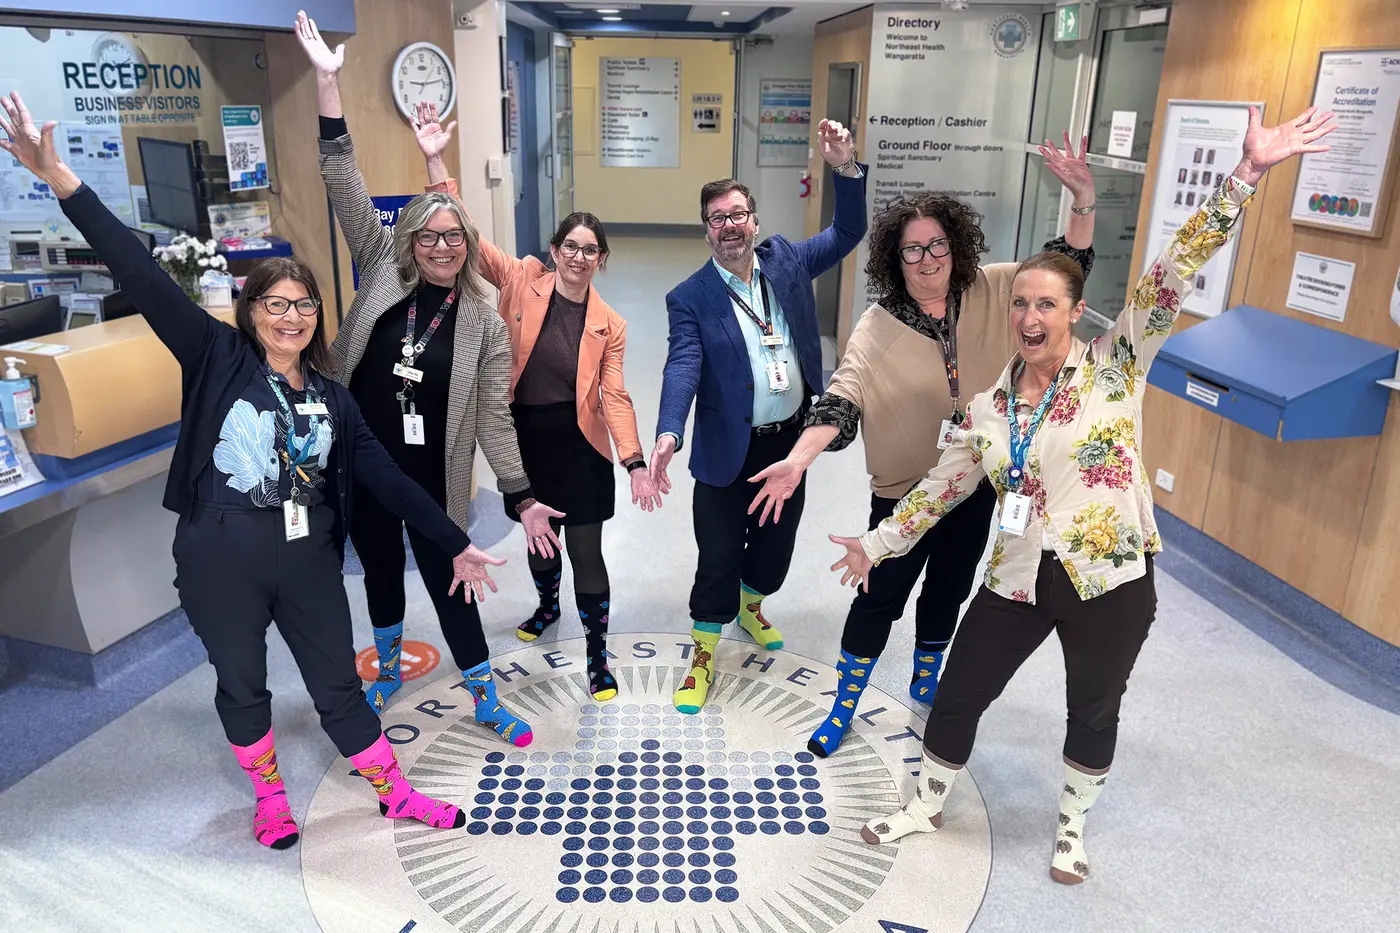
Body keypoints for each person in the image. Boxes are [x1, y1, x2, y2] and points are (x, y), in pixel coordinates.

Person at [828, 105, 1336, 883]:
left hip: (1111, 579)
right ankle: (925, 802)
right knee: (959, 690)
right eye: (1021, 304)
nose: (1030, 317)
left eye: (1047, 304)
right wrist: (878, 542)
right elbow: (935, 492)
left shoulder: (1118, 364)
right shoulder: (990, 409)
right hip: (1018, 575)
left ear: (1073, 313)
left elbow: (1175, 269)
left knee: (1094, 707)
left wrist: (1247, 175)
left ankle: (1071, 828)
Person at [0, 90, 522, 847]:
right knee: (243, 683)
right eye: (274, 304)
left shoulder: (336, 402)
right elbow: (141, 274)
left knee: (340, 684)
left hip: (306, 557)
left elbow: (389, 481)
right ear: (250, 313)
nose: (290, 316)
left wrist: (453, 538)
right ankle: (270, 796)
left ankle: (396, 792)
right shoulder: (216, 358)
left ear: (317, 315)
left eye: (304, 305)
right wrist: (63, 183)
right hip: (220, 556)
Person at [747, 133, 1096, 757]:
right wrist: (798, 461)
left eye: (937, 245)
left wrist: (1083, 199)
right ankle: (843, 704)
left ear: (954, 247)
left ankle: (925, 676)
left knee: (949, 590)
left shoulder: (994, 289)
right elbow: (841, 395)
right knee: (879, 595)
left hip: (976, 487)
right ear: (895, 259)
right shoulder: (877, 325)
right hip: (904, 493)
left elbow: (1065, 266)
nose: (928, 258)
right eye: (913, 250)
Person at [296, 12, 558, 740]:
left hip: (432, 476)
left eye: (455, 236)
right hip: (362, 465)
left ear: (468, 245)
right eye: (429, 234)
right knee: (378, 571)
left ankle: (485, 696)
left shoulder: (483, 318)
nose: (442, 246)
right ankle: (384, 672)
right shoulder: (382, 265)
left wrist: (522, 494)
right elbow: (343, 178)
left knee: (454, 582)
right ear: (409, 237)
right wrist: (327, 83)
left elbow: (495, 422)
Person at [412, 100, 663, 700]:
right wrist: (434, 160)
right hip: (521, 438)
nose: (579, 256)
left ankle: (599, 655)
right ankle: (547, 606)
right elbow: (465, 237)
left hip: (580, 446)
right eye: (570, 246)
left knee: (585, 547)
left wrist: (632, 462)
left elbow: (616, 395)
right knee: (538, 538)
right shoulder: (522, 278)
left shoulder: (612, 323)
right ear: (555, 251)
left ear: (601, 259)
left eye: (590, 249)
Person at [649, 119, 866, 713]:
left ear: (755, 221)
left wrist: (845, 167)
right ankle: (701, 658)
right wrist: (670, 431)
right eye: (717, 217)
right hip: (727, 449)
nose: (729, 225)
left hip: (790, 443)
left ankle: (754, 602)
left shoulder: (788, 262)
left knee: (773, 550)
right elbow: (683, 366)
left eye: (738, 213)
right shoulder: (690, 297)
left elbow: (849, 230)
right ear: (707, 230)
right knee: (717, 555)